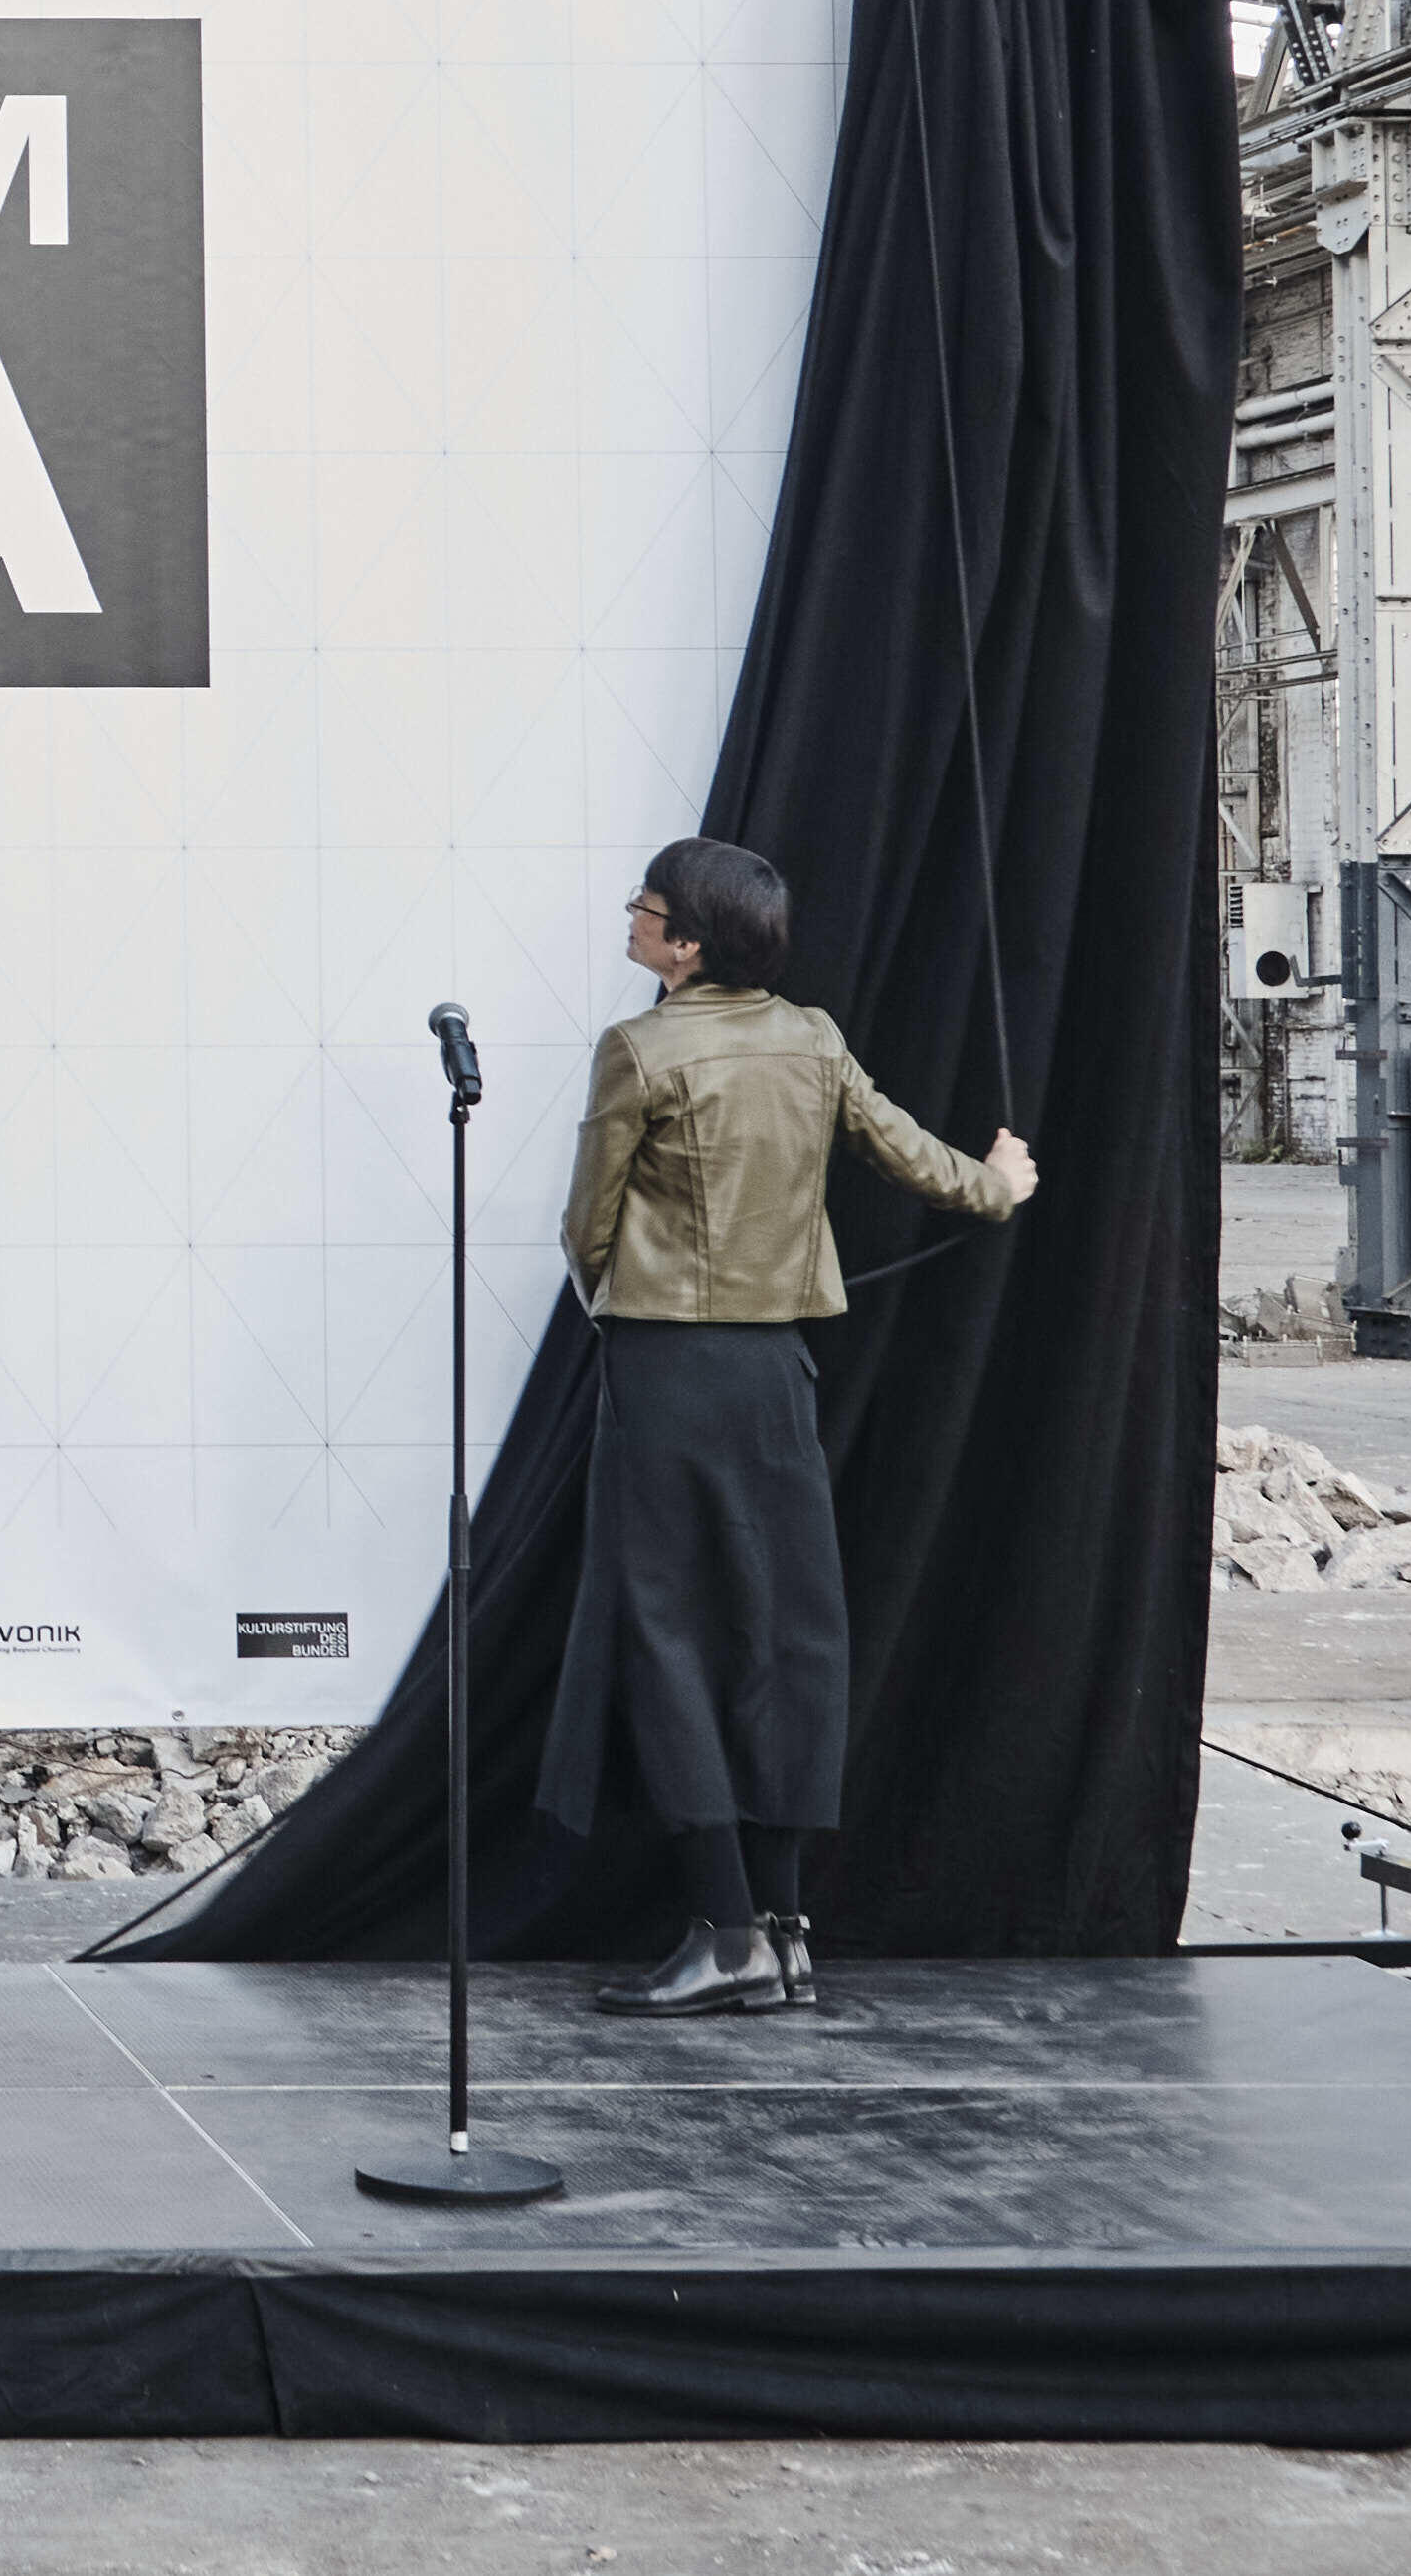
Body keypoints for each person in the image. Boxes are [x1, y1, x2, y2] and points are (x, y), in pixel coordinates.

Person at [546, 833, 1034, 2019]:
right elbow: (920, 1158)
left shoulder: (639, 1049)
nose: (631, 918)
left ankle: (724, 1931)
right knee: (783, 1633)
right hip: (778, 1371)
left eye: (646, 908)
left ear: (688, 943)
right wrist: (1000, 1179)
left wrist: (625, 1300)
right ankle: (784, 1927)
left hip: (667, 1367)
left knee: (671, 1634)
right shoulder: (812, 1038)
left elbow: (586, 1224)